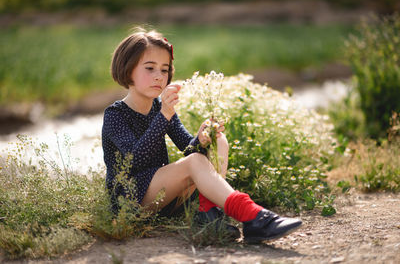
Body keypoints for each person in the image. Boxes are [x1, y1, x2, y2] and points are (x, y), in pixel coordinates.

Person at [102, 27, 302, 244]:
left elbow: (188, 149)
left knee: (218, 140)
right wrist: (165, 116)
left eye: (164, 69)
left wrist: (201, 139)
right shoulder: (116, 115)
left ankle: (209, 216)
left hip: (165, 198)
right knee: (195, 160)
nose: (159, 76)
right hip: (130, 201)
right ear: (127, 68)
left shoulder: (158, 108)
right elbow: (134, 161)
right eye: (150, 68)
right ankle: (254, 217)